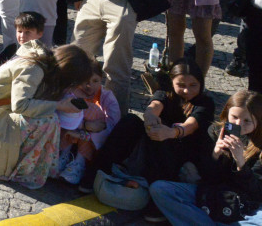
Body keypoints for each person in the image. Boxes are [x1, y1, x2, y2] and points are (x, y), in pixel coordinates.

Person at [0, 43, 94, 189]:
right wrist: (58, 105)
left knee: (47, 116)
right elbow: (21, 106)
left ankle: (36, 165)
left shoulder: (40, 60)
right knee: (49, 121)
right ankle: (25, 170)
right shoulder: (34, 69)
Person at [83, 61, 214, 201]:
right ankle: (96, 173)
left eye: (193, 85)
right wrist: (150, 117)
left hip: (181, 156)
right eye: (181, 85)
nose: (187, 90)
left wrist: (171, 132)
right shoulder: (166, 93)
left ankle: (155, 200)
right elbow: (155, 105)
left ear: (201, 84)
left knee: (161, 138)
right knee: (131, 121)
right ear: (172, 83)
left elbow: (190, 125)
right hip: (152, 148)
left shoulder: (205, 103)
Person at [149, 90, 262, 226]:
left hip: (246, 205)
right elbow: (206, 178)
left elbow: (256, 192)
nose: (238, 124)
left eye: (247, 121)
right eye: (234, 117)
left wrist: (241, 164)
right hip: (213, 195)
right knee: (160, 189)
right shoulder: (214, 131)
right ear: (227, 113)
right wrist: (215, 155)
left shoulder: (259, 145)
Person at [56, 60, 120, 185]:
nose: (89, 86)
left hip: (92, 137)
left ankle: (80, 162)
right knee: (77, 108)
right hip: (70, 132)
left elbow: (112, 124)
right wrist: (81, 126)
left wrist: (86, 130)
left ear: (101, 79)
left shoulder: (107, 97)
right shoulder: (72, 92)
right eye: (85, 81)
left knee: (93, 110)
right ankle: (63, 155)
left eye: (95, 81)